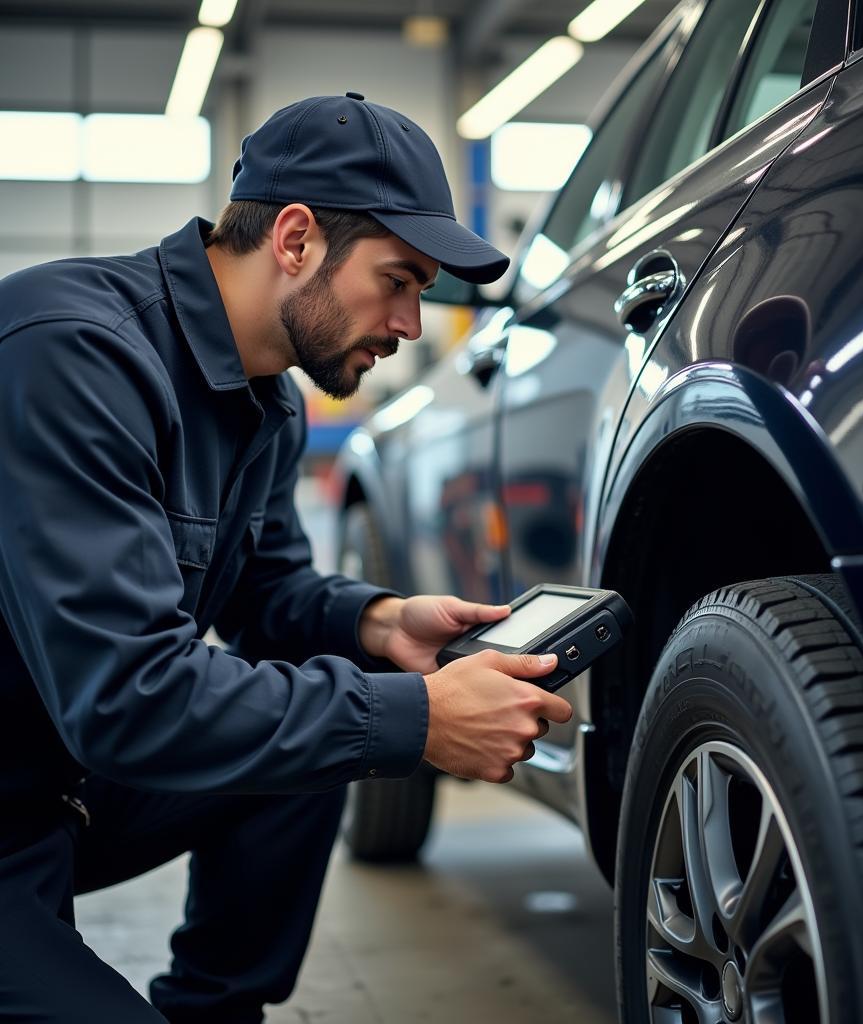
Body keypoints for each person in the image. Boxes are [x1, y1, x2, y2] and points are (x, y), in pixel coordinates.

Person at [0, 93, 573, 1022]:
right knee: (363, 716)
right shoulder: (72, 356)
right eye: (398, 279)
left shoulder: (270, 400)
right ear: (297, 240)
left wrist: (378, 622)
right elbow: (127, 697)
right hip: (38, 781)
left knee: (340, 692)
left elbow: (271, 590)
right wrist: (416, 719)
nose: (411, 324)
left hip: (62, 785)